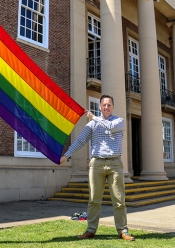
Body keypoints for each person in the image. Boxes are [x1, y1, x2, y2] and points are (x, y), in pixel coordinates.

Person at [59, 94, 135, 241]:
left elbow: (110, 127)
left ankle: (123, 231)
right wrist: (66, 155)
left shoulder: (119, 121)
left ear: (113, 107)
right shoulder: (92, 125)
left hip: (114, 163)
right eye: (104, 105)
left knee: (119, 200)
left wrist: (94, 117)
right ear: (100, 106)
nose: (106, 107)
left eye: (109, 105)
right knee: (94, 199)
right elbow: (80, 140)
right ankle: (91, 230)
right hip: (97, 164)